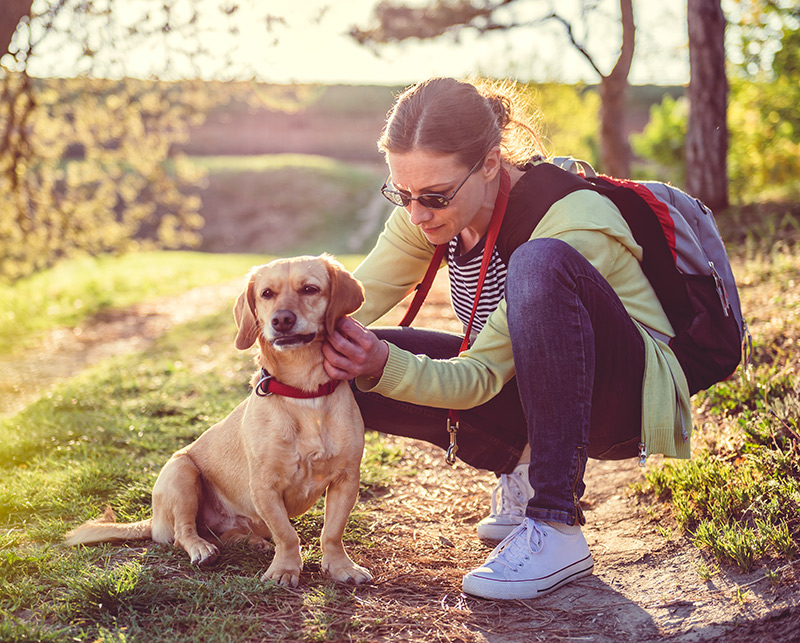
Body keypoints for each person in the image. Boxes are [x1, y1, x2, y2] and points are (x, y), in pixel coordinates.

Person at [322, 77, 692, 601]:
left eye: (434, 195)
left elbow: (478, 377)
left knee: (536, 264)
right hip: (531, 385)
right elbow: (345, 305)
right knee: (334, 357)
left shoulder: (570, 221)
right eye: (402, 194)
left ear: (491, 164)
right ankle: (522, 463)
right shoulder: (428, 215)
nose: (417, 213)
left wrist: (385, 363)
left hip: (622, 403)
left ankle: (557, 523)